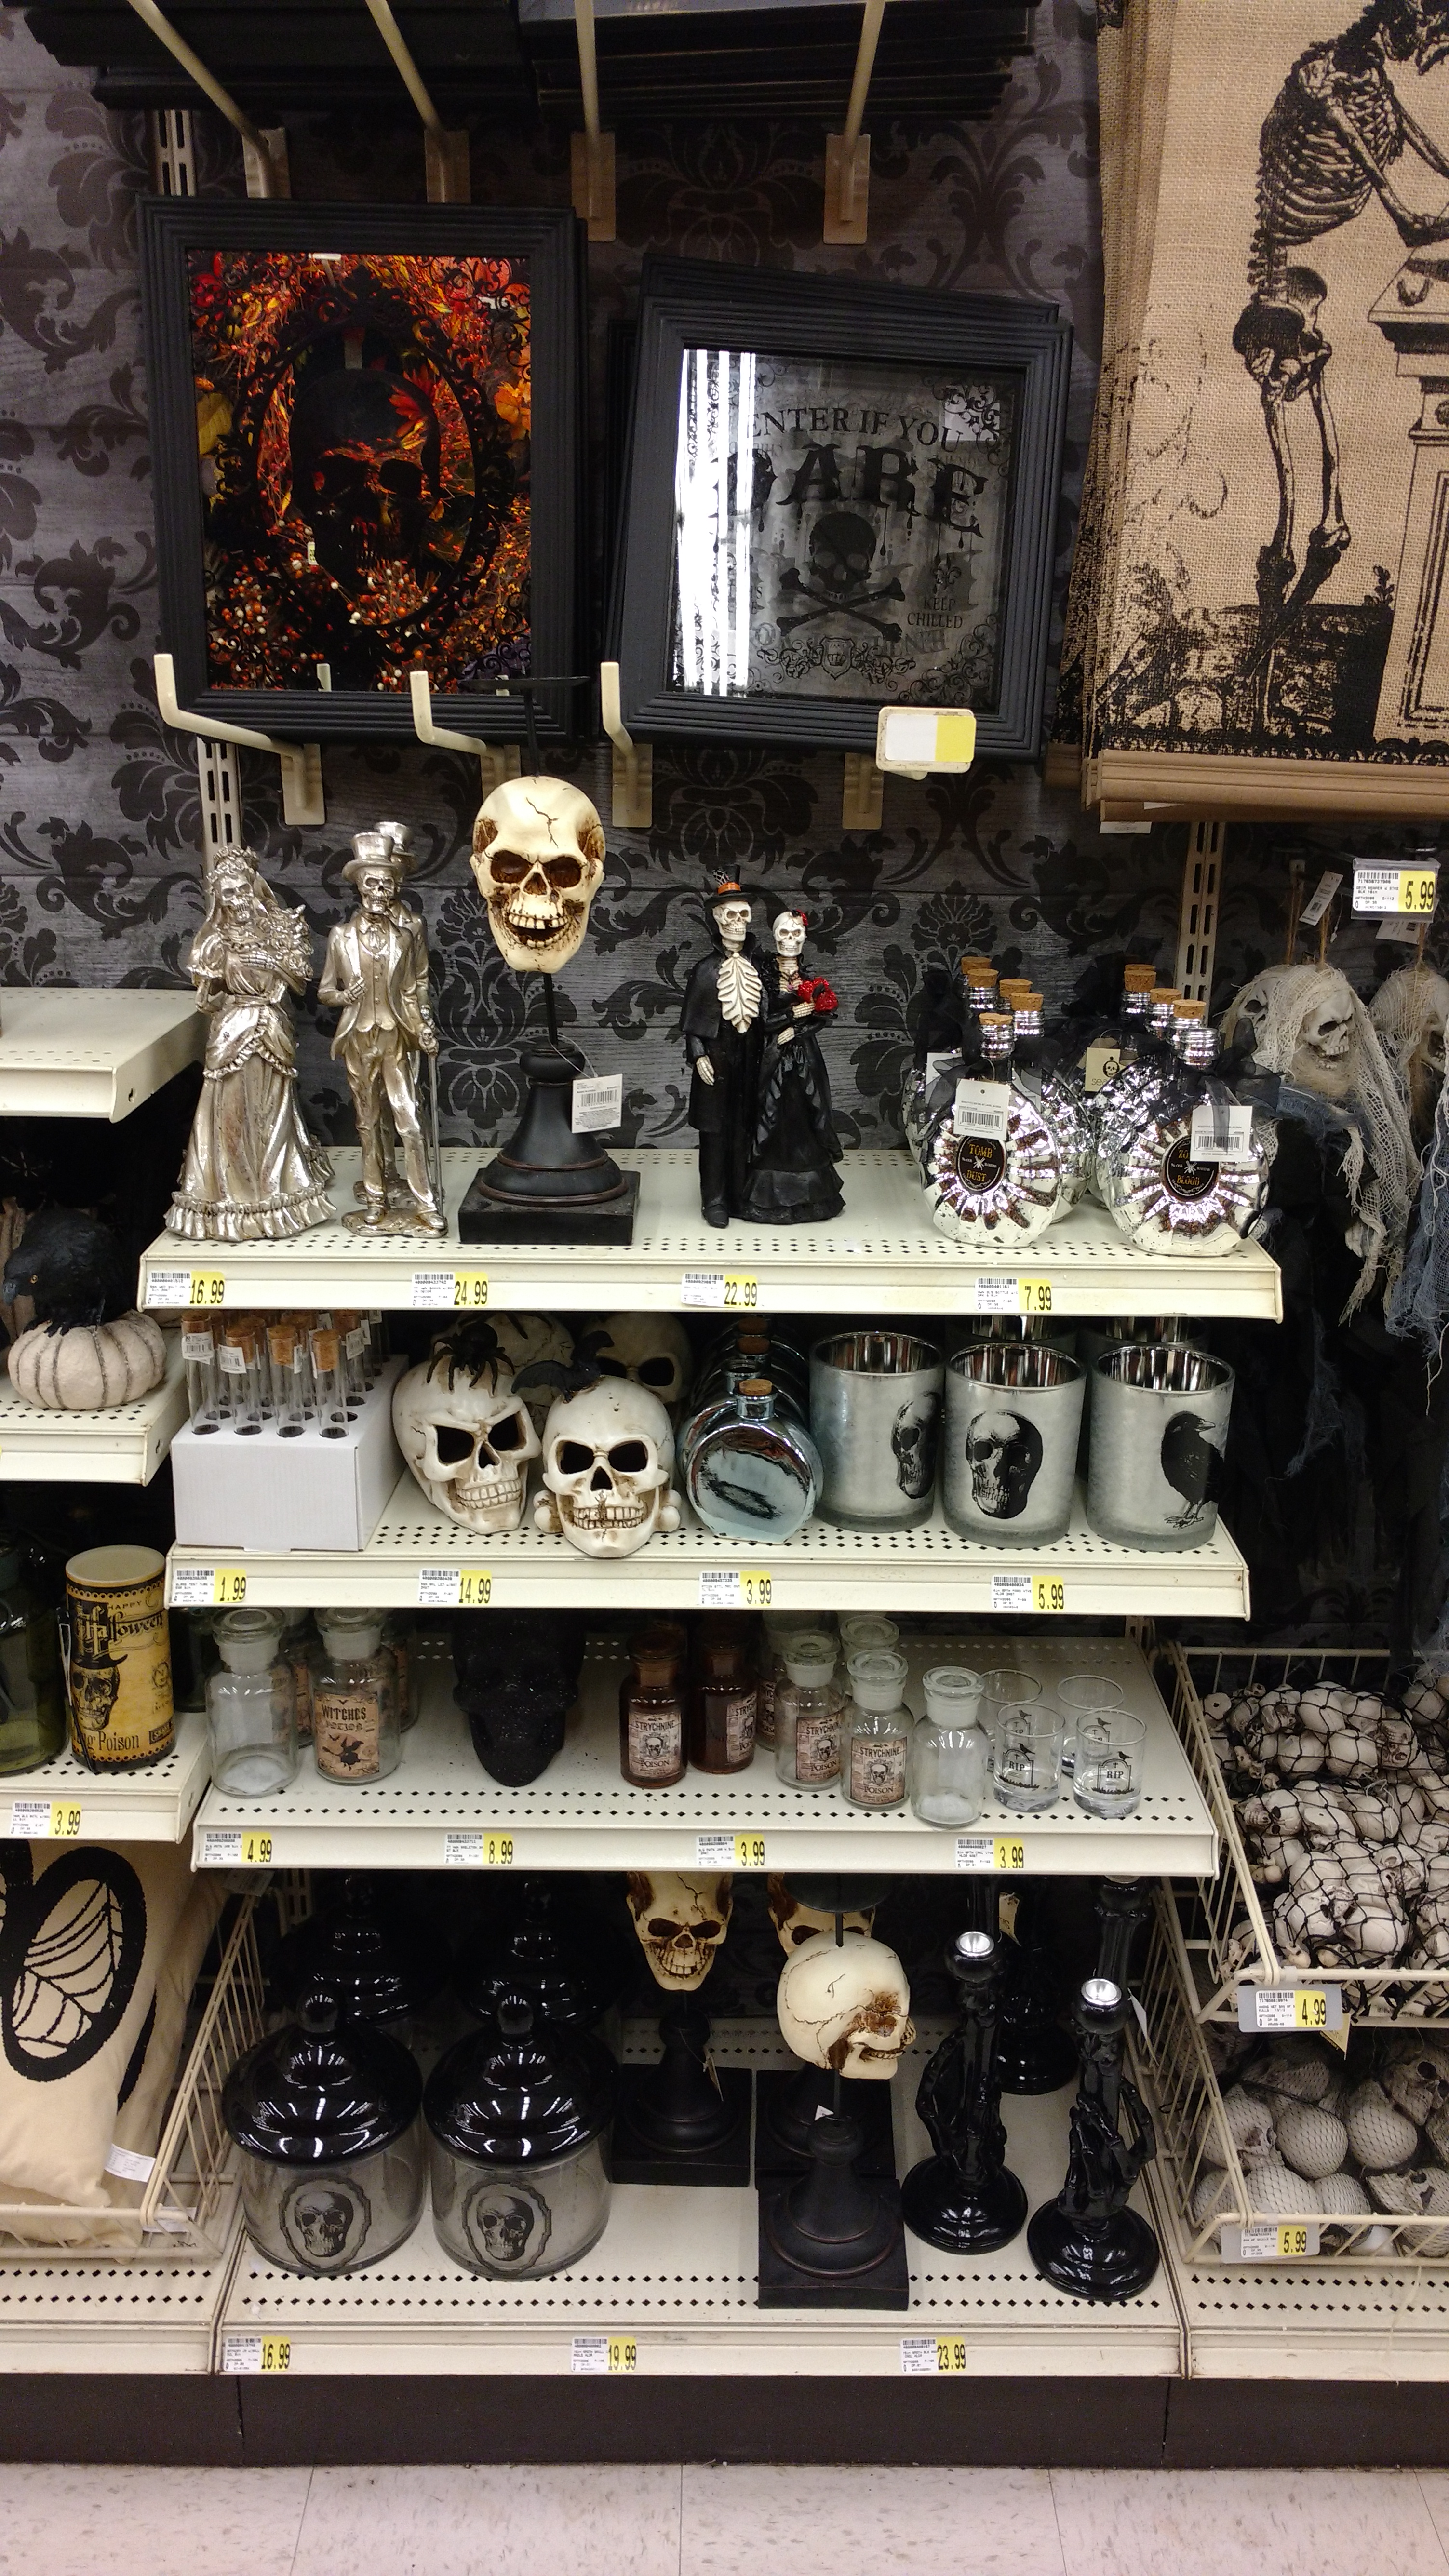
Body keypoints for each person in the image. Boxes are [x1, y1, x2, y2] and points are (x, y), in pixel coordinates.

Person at [167, 845, 334, 1242]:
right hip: (232, 1030)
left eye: (243, 889)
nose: (239, 899)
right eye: (229, 893)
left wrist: (272, 965)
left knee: (273, 1110)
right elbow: (207, 998)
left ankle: (277, 1189)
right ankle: (232, 1195)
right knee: (231, 1112)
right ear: (219, 898)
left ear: (254, 887)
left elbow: (299, 983)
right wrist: (215, 993)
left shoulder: (276, 930)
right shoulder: (215, 942)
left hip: (273, 1026)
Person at [319, 831, 443, 1234]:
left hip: (394, 1038)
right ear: (359, 887)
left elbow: (409, 991)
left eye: (386, 884)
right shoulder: (340, 937)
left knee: (410, 1122)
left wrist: (422, 1029)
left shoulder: (405, 937)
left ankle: (426, 1204)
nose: (379, 892)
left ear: (395, 888)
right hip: (358, 1039)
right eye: (372, 884)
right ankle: (376, 1200)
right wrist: (343, 996)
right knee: (368, 1124)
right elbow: (324, 991)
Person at [739, 908, 844, 1224]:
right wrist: (791, 1017)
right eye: (784, 934)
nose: (790, 940)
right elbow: (760, 1021)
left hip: (804, 1060)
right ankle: (764, 1191)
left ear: (805, 938)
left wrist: (797, 1031)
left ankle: (811, 1192)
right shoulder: (764, 979)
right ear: (775, 938)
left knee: (807, 1114)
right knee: (771, 1116)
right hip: (773, 1060)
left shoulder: (810, 980)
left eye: (796, 933)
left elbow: (822, 1017)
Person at [679, 877, 768, 1227]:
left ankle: (740, 1193)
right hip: (717, 1057)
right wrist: (699, 1054)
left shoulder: (760, 966)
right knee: (714, 1130)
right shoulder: (705, 970)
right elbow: (691, 1022)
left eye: (744, 915)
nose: (738, 923)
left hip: (751, 1056)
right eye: (730, 915)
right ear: (717, 919)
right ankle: (714, 1199)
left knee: (745, 1125)